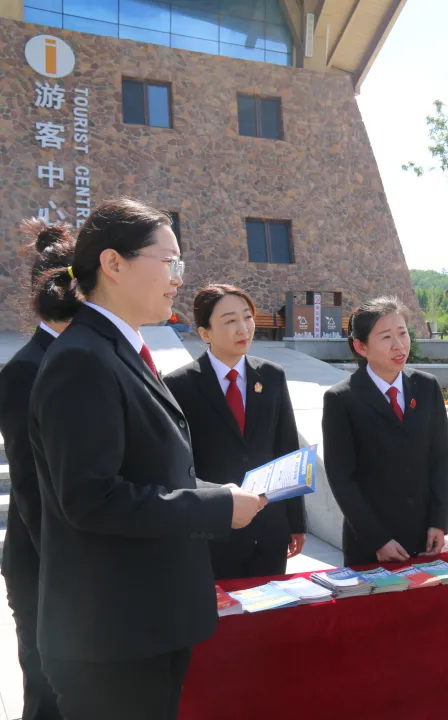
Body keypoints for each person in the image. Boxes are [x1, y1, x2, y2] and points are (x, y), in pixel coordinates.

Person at [27, 197, 266, 720]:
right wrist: (216, 507)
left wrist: (220, 493)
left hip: (146, 623)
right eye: (168, 261)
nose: (179, 278)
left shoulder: (120, 349)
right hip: (112, 639)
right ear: (113, 264)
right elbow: (93, 499)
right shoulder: (82, 360)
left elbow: (152, 472)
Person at [164, 284, 306, 580]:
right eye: (230, 320)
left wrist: (296, 522)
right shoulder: (179, 385)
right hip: (213, 531)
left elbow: (287, 449)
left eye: (247, 317)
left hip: (269, 528)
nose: (243, 328)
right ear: (205, 333)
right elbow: (178, 464)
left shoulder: (272, 376)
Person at [0, 219, 80, 720]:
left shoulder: (83, 358)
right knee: (49, 695)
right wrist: (67, 570)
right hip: (45, 564)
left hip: (78, 564)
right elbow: (30, 487)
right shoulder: (26, 370)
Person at [322, 296, 448, 566]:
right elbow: (342, 478)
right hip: (370, 544)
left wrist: (439, 522)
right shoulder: (342, 398)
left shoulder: (426, 387)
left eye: (403, 333)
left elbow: (443, 458)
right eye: (386, 337)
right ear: (361, 346)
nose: (399, 345)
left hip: (425, 537)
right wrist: (378, 540)